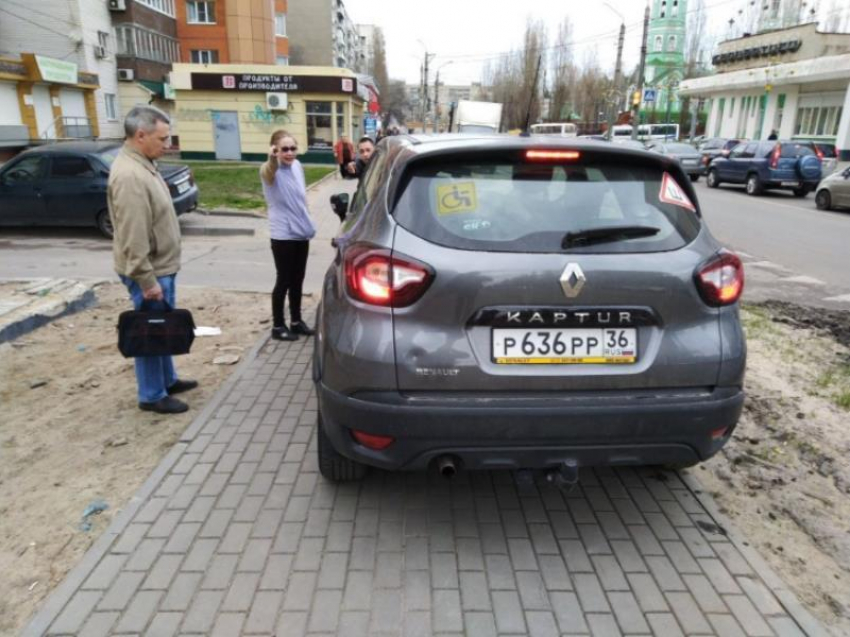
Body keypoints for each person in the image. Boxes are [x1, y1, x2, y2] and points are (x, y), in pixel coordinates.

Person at [109, 105, 197, 415]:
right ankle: (151, 395)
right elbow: (133, 237)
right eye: (162, 139)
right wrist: (147, 281)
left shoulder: (144, 162)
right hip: (150, 272)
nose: (167, 144)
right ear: (140, 135)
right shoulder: (130, 176)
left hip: (161, 268)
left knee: (161, 327)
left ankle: (167, 380)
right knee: (149, 331)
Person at [260, 130, 316, 342]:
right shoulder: (268, 170)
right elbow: (270, 168)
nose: (290, 153)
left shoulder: (297, 166)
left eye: (293, 148)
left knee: (298, 279)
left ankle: (296, 321)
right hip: (283, 234)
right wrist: (272, 157)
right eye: (284, 149)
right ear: (275, 150)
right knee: (283, 280)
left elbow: (301, 197)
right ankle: (277, 325)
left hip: (300, 232)